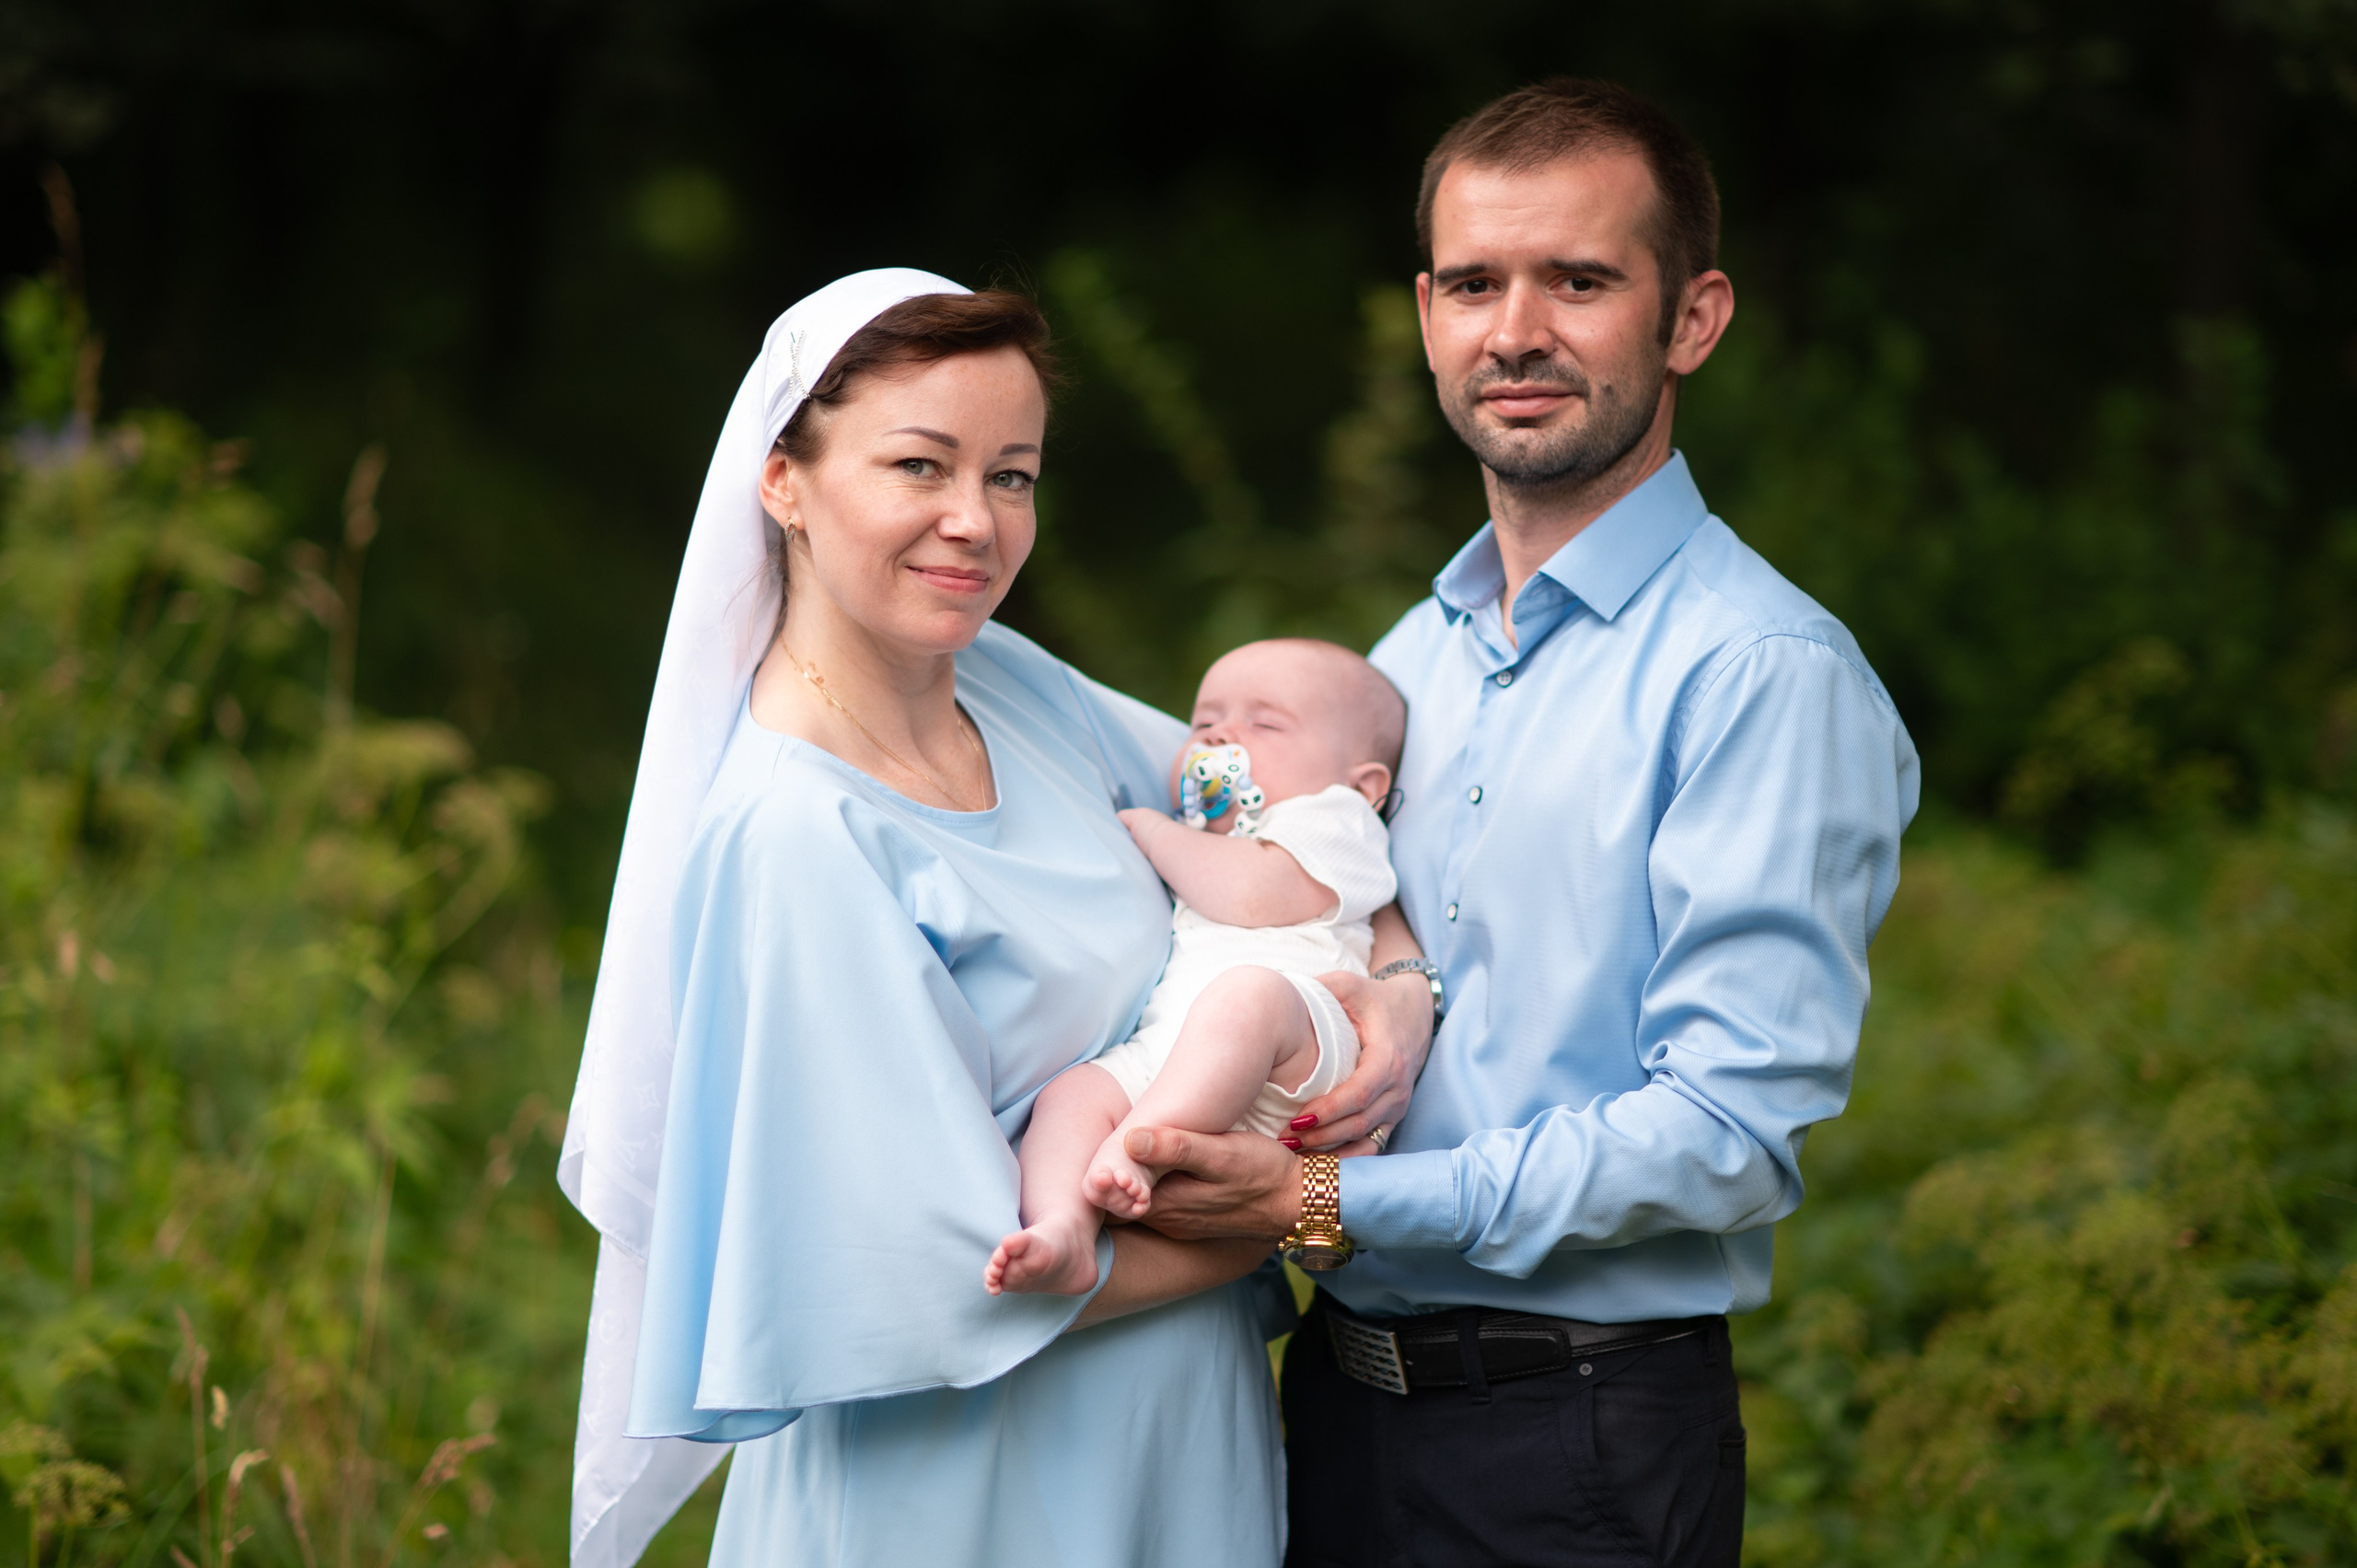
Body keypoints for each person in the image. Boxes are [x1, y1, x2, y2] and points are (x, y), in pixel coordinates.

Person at [1130, 80, 1922, 1567]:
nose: (1517, 331)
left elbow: (1728, 1135)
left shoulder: (1760, 673)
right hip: (1330, 1410)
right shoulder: (1400, 663)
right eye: (1478, 283)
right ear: (1427, 313)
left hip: (1577, 1444)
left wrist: (1329, 1196)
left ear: (1692, 318)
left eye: (1581, 280)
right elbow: (1329, 913)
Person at [559, 270, 1400, 1568]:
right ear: (783, 478)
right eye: (919, 464)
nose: (974, 521)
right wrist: (1315, 1201)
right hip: (971, 1489)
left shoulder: (1003, 681)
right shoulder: (798, 836)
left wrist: (1401, 998)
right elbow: (947, 1280)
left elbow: (1319, 840)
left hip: (1178, 1442)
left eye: (1012, 475)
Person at [985, 638, 1409, 1296]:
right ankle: (1063, 1227)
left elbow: (1254, 892)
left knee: (1246, 996)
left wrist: (1154, 832)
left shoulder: (1336, 818)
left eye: (1264, 724)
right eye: (1205, 723)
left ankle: (1133, 1147)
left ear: (1365, 782)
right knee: (1070, 1097)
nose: (1221, 737)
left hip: (1298, 1044)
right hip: (1179, 1055)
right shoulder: (1211, 836)